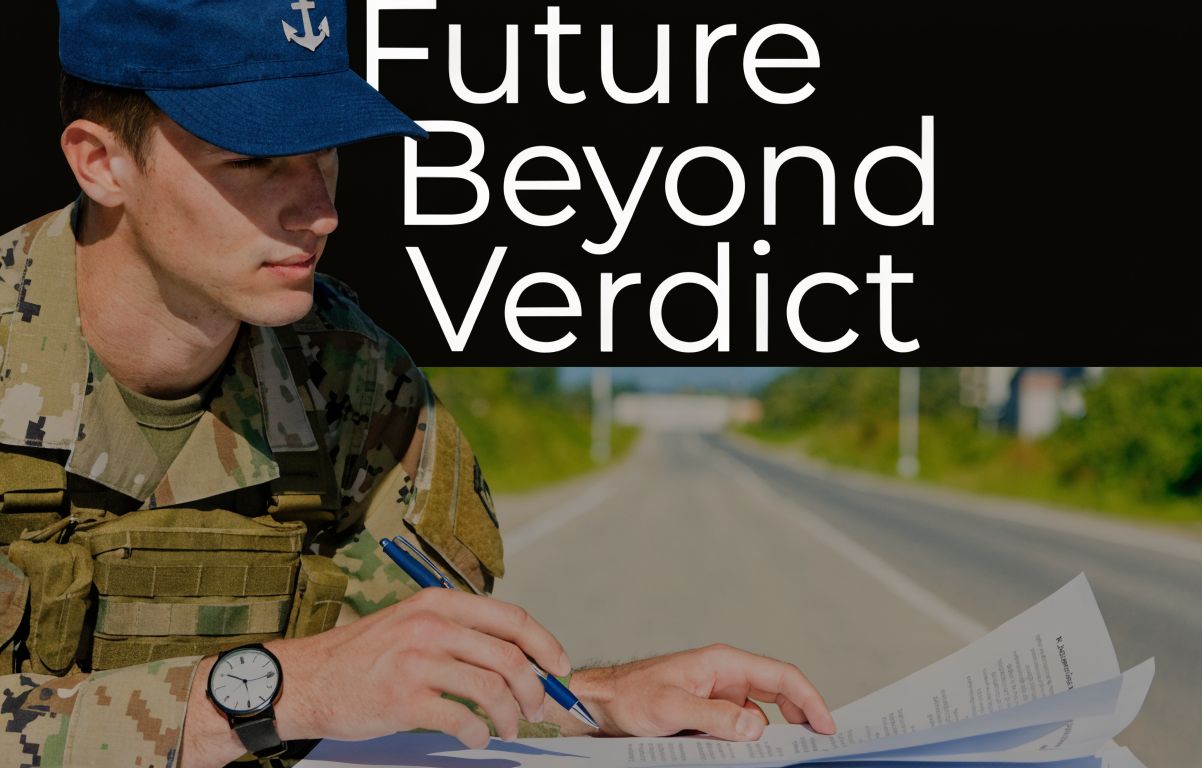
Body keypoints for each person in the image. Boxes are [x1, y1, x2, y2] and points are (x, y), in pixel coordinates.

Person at [0, 2, 835, 766]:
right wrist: (269, 694)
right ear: (101, 164)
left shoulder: (354, 378)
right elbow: (318, 686)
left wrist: (596, 704)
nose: (318, 211)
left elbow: (394, 688)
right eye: (253, 159)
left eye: (324, 151)